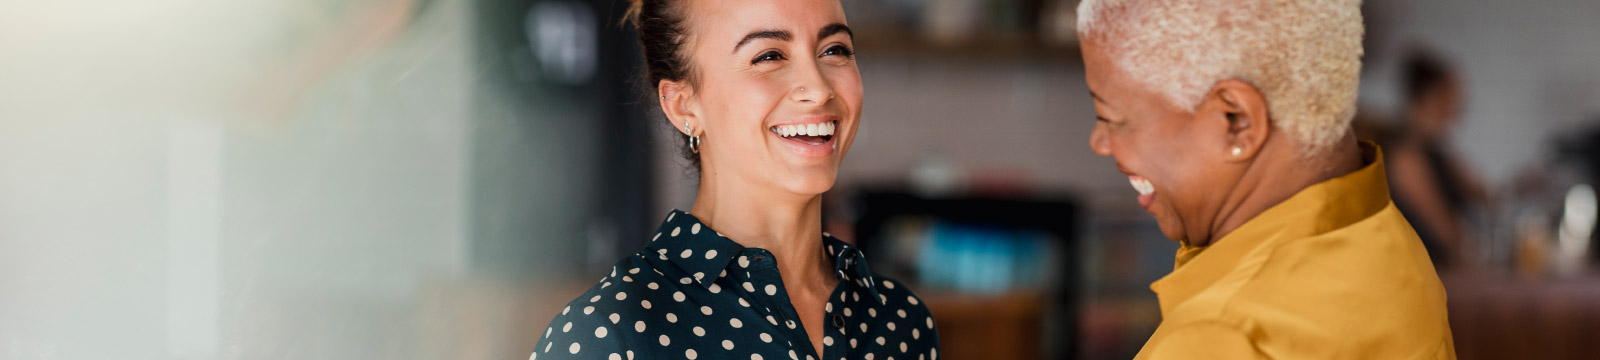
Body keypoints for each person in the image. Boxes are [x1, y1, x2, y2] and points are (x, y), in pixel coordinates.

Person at [529, 0, 940, 359]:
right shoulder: (608, 335)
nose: (817, 88)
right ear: (683, 104)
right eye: (768, 56)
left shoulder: (901, 322)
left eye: (834, 49)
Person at [1074, 0, 1456, 358]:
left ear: (1237, 121)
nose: (1099, 143)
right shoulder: (1389, 241)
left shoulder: (1223, 337)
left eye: (1110, 117)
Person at [1386, 49, 1489, 268]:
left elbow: (1485, 196)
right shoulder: (1407, 157)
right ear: (1429, 97)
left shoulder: (1438, 151)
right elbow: (1447, 233)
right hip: (1421, 276)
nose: (1459, 105)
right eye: (1451, 95)